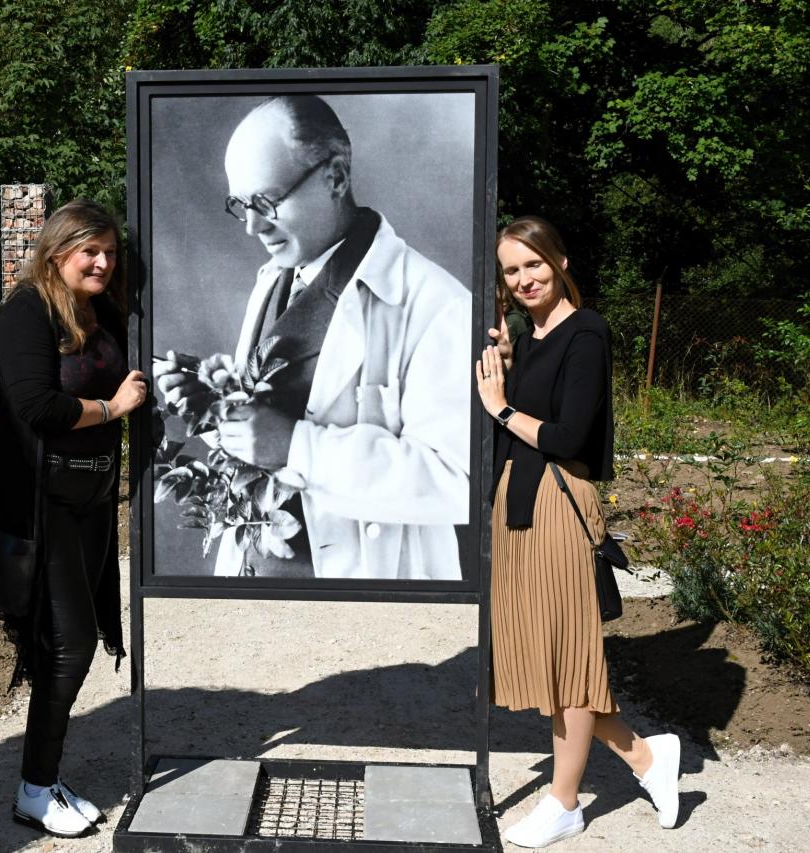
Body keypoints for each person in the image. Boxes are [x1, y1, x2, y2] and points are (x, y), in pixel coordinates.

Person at [154, 94, 470, 580]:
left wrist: (298, 448)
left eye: (267, 202)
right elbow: (273, 425)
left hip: (360, 588)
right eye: (241, 205)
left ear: (336, 177)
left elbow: (456, 481)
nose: (252, 227)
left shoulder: (436, 303)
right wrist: (216, 407)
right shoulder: (274, 279)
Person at [475, 216, 681, 847]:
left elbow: (568, 436)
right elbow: (516, 425)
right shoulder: (529, 337)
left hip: (560, 505)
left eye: (533, 264)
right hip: (518, 506)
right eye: (511, 271)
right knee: (548, 658)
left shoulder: (586, 331)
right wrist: (508, 365)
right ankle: (647, 757)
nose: (524, 279)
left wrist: (502, 406)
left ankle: (564, 802)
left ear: (560, 261)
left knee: (568, 657)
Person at [0, 199, 148, 838]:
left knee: (70, 641)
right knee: (70, 643)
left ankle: (43, 780)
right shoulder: (27, 311)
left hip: (92, 500)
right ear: (57, 253)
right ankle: (34, 788)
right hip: (41, 507)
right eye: (90, 251)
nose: (103, 262)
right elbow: (36, 405)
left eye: (111, 252)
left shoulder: (101, 311)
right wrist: (112, 409)